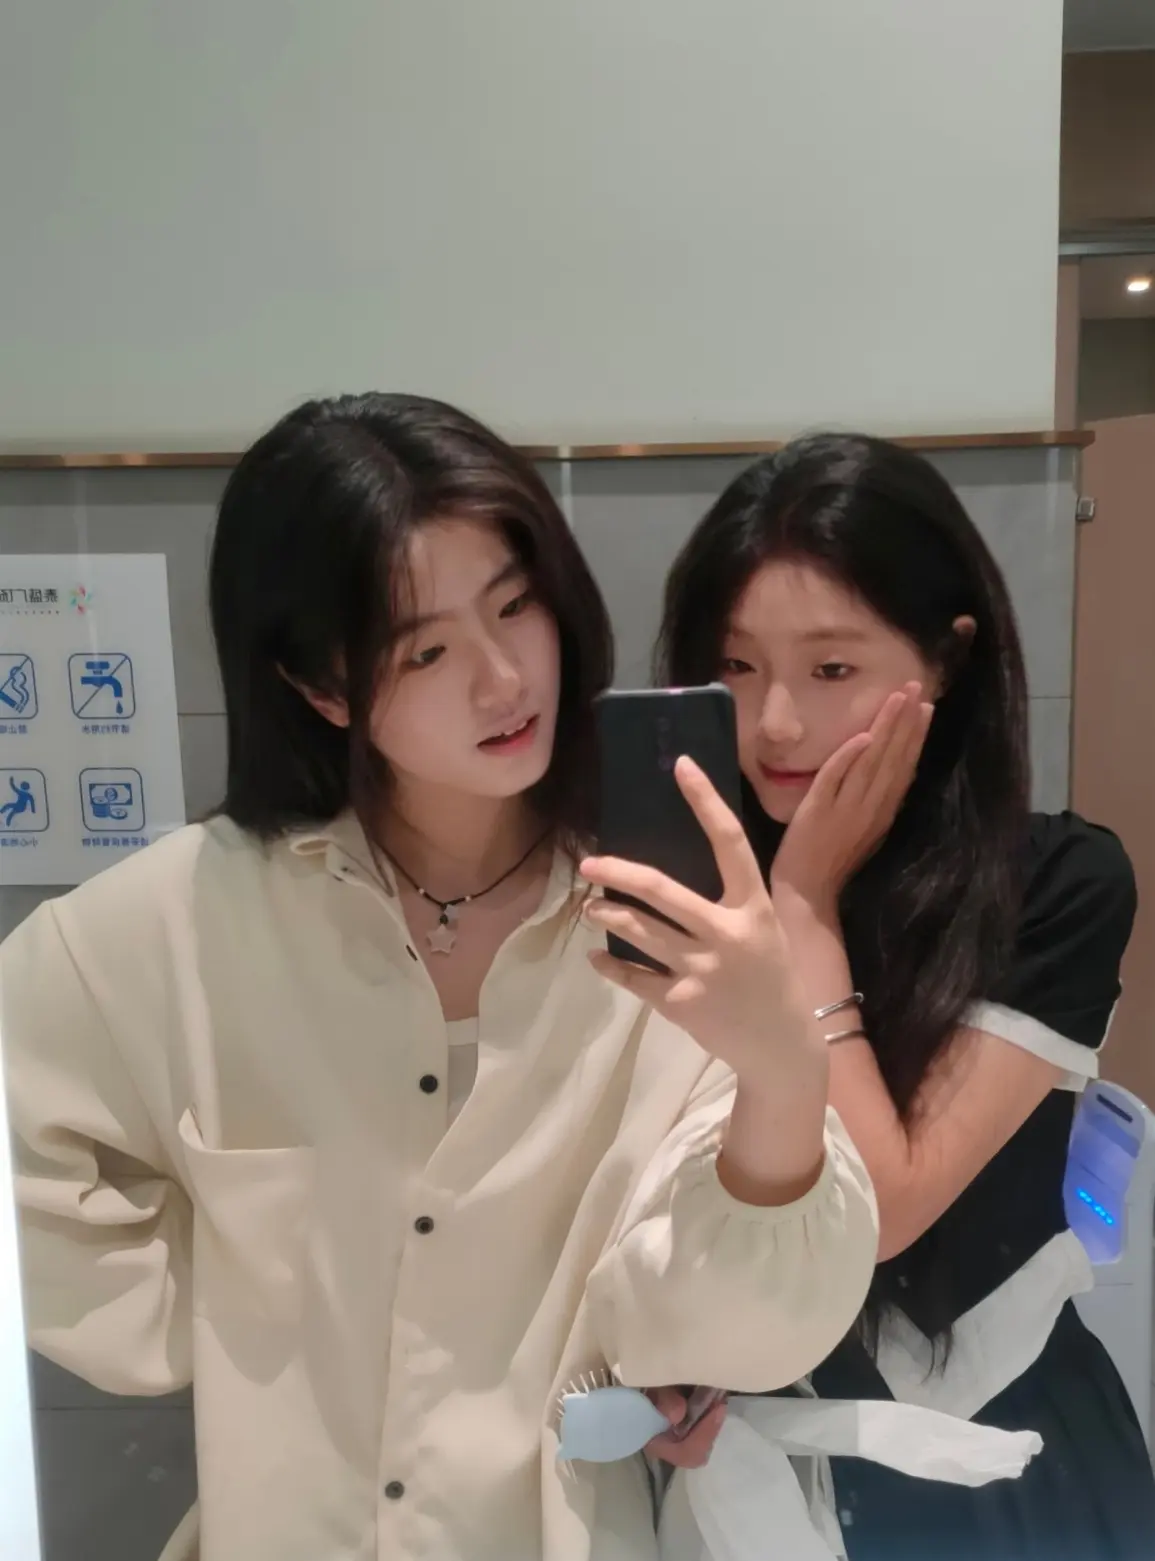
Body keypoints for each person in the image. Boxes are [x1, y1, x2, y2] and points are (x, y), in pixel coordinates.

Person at [0, 395, 878, 1561]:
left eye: (515, 606)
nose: (503, 677)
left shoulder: (670, 927)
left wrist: (782, 1070)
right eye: (425, 649)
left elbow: (749, 1332)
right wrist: (219, 1312)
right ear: (321, 686)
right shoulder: (191, 916)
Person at [652, 432, 1155, 1559]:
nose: (774, 722)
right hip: (738, 1471)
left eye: (831, 670)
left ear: (947, 660)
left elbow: (880, 1208)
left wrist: (806, 907)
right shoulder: (683, 889)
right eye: (734, 665)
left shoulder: (1053, 882)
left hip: (997, 1474)